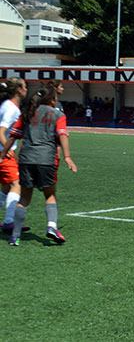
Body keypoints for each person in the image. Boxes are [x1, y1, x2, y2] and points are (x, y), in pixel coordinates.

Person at [1, 84, 78, 246]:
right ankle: (51, 226)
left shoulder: (27, 113)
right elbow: (62, 134)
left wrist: (2, 155)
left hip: (26, 158)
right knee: (50, 194)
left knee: (24, 197)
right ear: (52, 99)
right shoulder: (57, 114)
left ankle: (15, 236)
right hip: (46, 159)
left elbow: (13, 136)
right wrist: (68, 157)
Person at [0, 78, 30, 234]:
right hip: (3, 152)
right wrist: (7, 149)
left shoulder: (7, 106)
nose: (27, 89)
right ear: (19, 89)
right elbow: (1, 131)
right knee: (16, 185)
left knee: (6, 187)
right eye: (25, 86)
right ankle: (9, 222)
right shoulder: (11, 109)